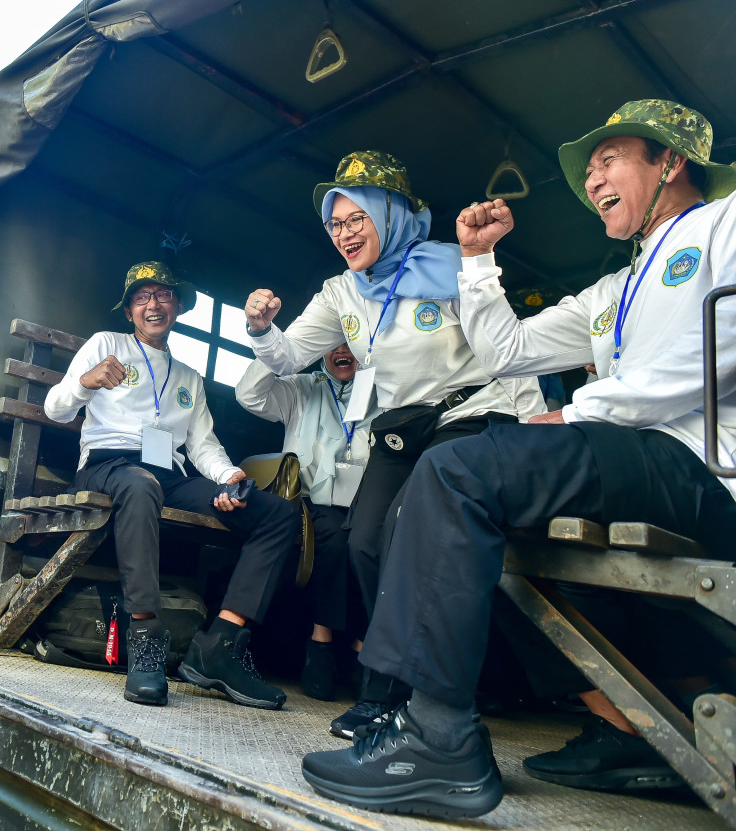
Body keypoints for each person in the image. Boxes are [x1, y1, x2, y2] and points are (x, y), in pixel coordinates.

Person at [298, 99, 736, 819]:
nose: (592, 178)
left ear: (671, 161)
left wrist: (583, 410)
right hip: (633, 457)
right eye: (589, 168)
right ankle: (627, 729)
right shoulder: (616, 288)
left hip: (699, 465)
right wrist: (477, 262)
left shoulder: (723, 224)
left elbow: (716, 350)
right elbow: (507, 350)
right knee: (487, 531)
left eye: (609, 159)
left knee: (455, 471)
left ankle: (437, 736)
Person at [245, 151, 543, 737]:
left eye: (357, 218)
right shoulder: (341, 292)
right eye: (335, 224)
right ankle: (391, 681)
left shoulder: (454, 267)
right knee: (363, 540)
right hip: (404, 426)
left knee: (412, 531)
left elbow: (509, 350)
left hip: (472, 413)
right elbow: (287, 358)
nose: (344, 234)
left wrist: (533, 428)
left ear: (393, 214)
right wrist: (261, 328)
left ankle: (393, 691)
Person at [44, 261, 301, 710]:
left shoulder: (188, 377)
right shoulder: (106, 344)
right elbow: (55, 409)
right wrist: (86, 382)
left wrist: (229, 477)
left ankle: (220, 645)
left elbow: (202, 445)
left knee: (277, 515)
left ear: (178, 307)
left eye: (163, 295)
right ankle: (145, 636)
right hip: (109, 464)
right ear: (129, 311)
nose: (153, 304)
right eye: (142, 297)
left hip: (169, 475)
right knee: (141, 484)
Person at [235, 343, 380, 700]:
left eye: (351, 342)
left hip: (365, 501)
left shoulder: (381, 391)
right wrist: (283, 347)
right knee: (334, 536)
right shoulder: (301, 387)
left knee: (376, 541)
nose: (343, 350)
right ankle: (321, 641)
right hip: (308, 500)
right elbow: (249, 395)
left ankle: (363, 647)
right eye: (333, 344)